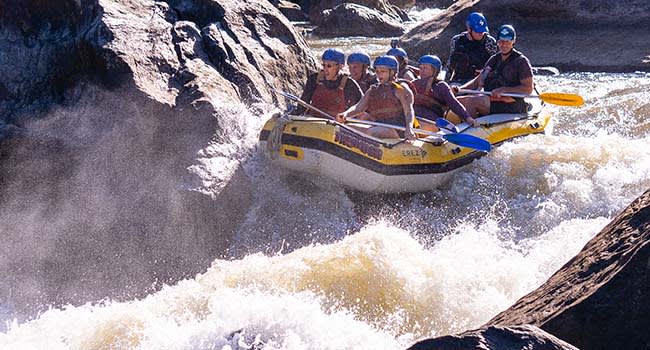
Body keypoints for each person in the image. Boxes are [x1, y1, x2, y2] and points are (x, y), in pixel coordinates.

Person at [456, 24, 534, 116]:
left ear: (513, 41)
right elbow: (476, 82)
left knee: (472, 101)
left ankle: (470, 126)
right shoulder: (494, 59)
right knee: (459, 100)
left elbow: (528, 89)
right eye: (501, 41)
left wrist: (504, 90)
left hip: (511, 104)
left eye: (507, 41)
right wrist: (459, 89)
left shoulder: (521, 62)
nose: (504, 44)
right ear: (497, 41)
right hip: (491, 99)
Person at [336, 55, 417, 140]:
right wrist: (345, 114)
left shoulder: (401, 88)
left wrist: (409, 128)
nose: (379, 74)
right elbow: (358, 107)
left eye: (383, 71)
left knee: (372, 132)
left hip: (398, 129)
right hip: (379, 125)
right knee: (344, 128)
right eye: (377, 71)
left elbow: (409, 111)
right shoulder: (373, 89)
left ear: (392, 72)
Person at [292, 48, 363, 118]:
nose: (325, 69)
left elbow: (361, 106)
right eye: (323, 65)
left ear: (340, 66)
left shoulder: (349, 83)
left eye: (329, 66)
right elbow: (302, 105)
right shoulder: (314, 79)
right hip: (313, 121)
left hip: (336, 124)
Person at [412, 55, 478, 127]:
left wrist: (468, 118)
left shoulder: (441, 86)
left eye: (425, 68)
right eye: (420, 68)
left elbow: (454, 104)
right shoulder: (413, 83)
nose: (422, 71)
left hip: (430, 121)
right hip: (412, 117)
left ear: (435, 70)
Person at [445, 12, 498, 84]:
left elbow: (496, 64)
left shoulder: (489, 42)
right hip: (460, 81)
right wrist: (445, 83)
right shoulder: (457, 40)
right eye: (477, 31)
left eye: (482, 31)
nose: (481, 33)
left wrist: (486, 72)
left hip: (482, 82)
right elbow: (450, 65)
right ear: (469, 28)